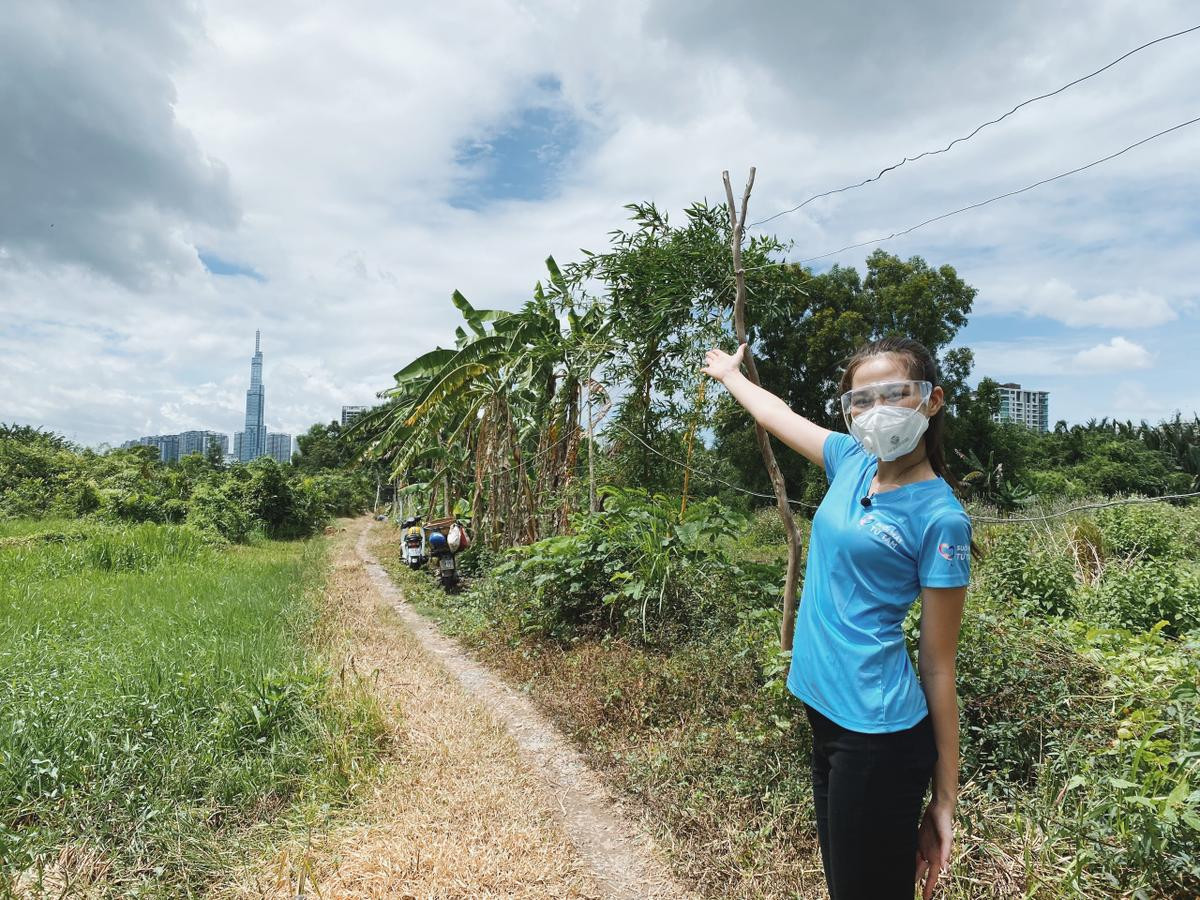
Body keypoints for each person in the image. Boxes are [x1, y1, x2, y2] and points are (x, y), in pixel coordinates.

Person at [701, 335, 975, 900]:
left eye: (894, 394)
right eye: (861, 400)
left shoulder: (941, 518)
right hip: (824, 713)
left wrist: (945, 797)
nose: (877, 412)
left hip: (877, 736)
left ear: (932, 400)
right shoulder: (851, 461)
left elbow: (938, 663)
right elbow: (776, 413)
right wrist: (731, 375)